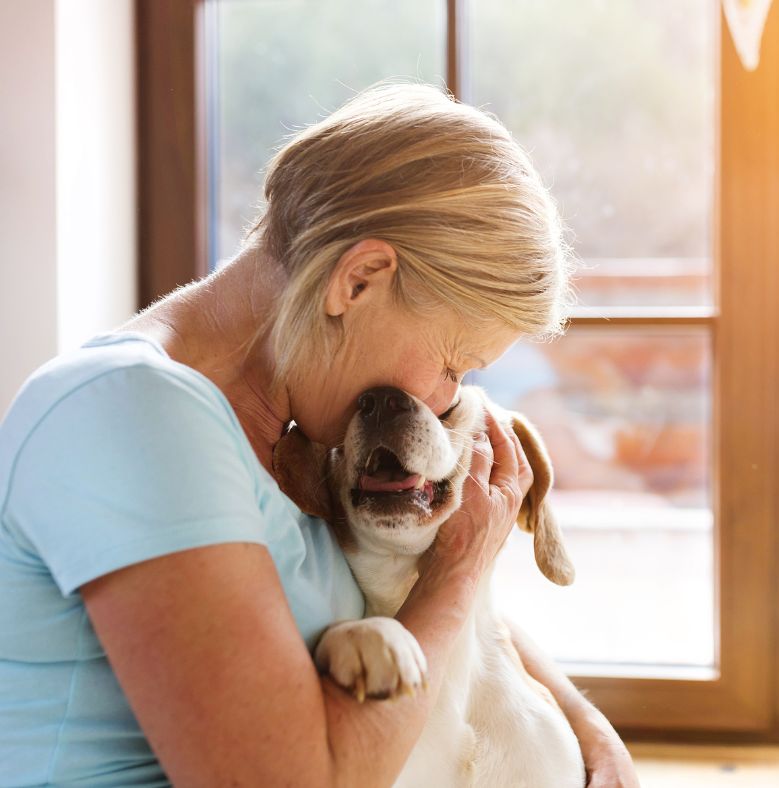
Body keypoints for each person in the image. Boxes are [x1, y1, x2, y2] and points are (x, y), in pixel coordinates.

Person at [0, 84, 639, 786]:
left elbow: (424, 612)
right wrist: (457, 572)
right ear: (358, 280)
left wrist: (587, 728)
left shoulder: (298, 438)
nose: (442, 402)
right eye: (453, 365)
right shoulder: (135, 413)